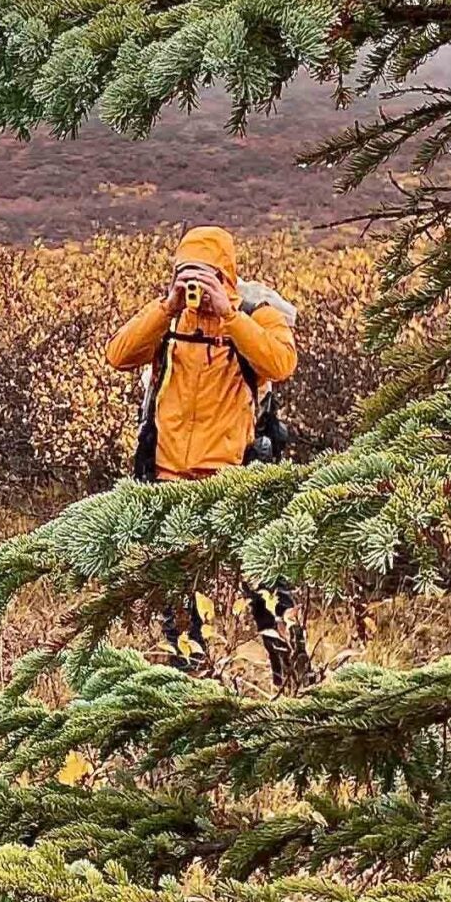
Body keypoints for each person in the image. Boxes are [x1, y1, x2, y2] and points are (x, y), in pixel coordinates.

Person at [106, 225, 311, 687]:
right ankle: (190, 682)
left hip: (235, 476)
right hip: (168, 477)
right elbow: (118, 355)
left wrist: (230, 314)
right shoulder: (169, 318)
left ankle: (295, 677)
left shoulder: (257, 313)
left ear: (226, 275)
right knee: (177, 595)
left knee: (265, 585)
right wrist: (167, 306)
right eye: (185, 275)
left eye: (203, 277)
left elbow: (281, 363)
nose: (195, 286)